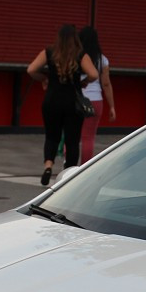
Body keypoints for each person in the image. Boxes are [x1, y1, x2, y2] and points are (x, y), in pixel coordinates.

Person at [27, 24, 100, 185]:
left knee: (52, 136)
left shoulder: (49, 52)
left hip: (51, 100)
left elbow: (31, 69)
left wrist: (44, 79)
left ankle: (48, 166)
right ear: (75, 38)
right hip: (73, 103)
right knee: (72, 140)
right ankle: (69, 175)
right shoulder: (80, 55)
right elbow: (94, 73)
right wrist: (84, 82)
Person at [78, 26, 117, 164]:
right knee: (88, 137)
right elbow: (106, 84)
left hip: (76, 98)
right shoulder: (102, 60)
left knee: (72, 134)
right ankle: (83, 169)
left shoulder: (76, 57)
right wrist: (112, 106)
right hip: (95, 100)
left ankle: (68, 163)